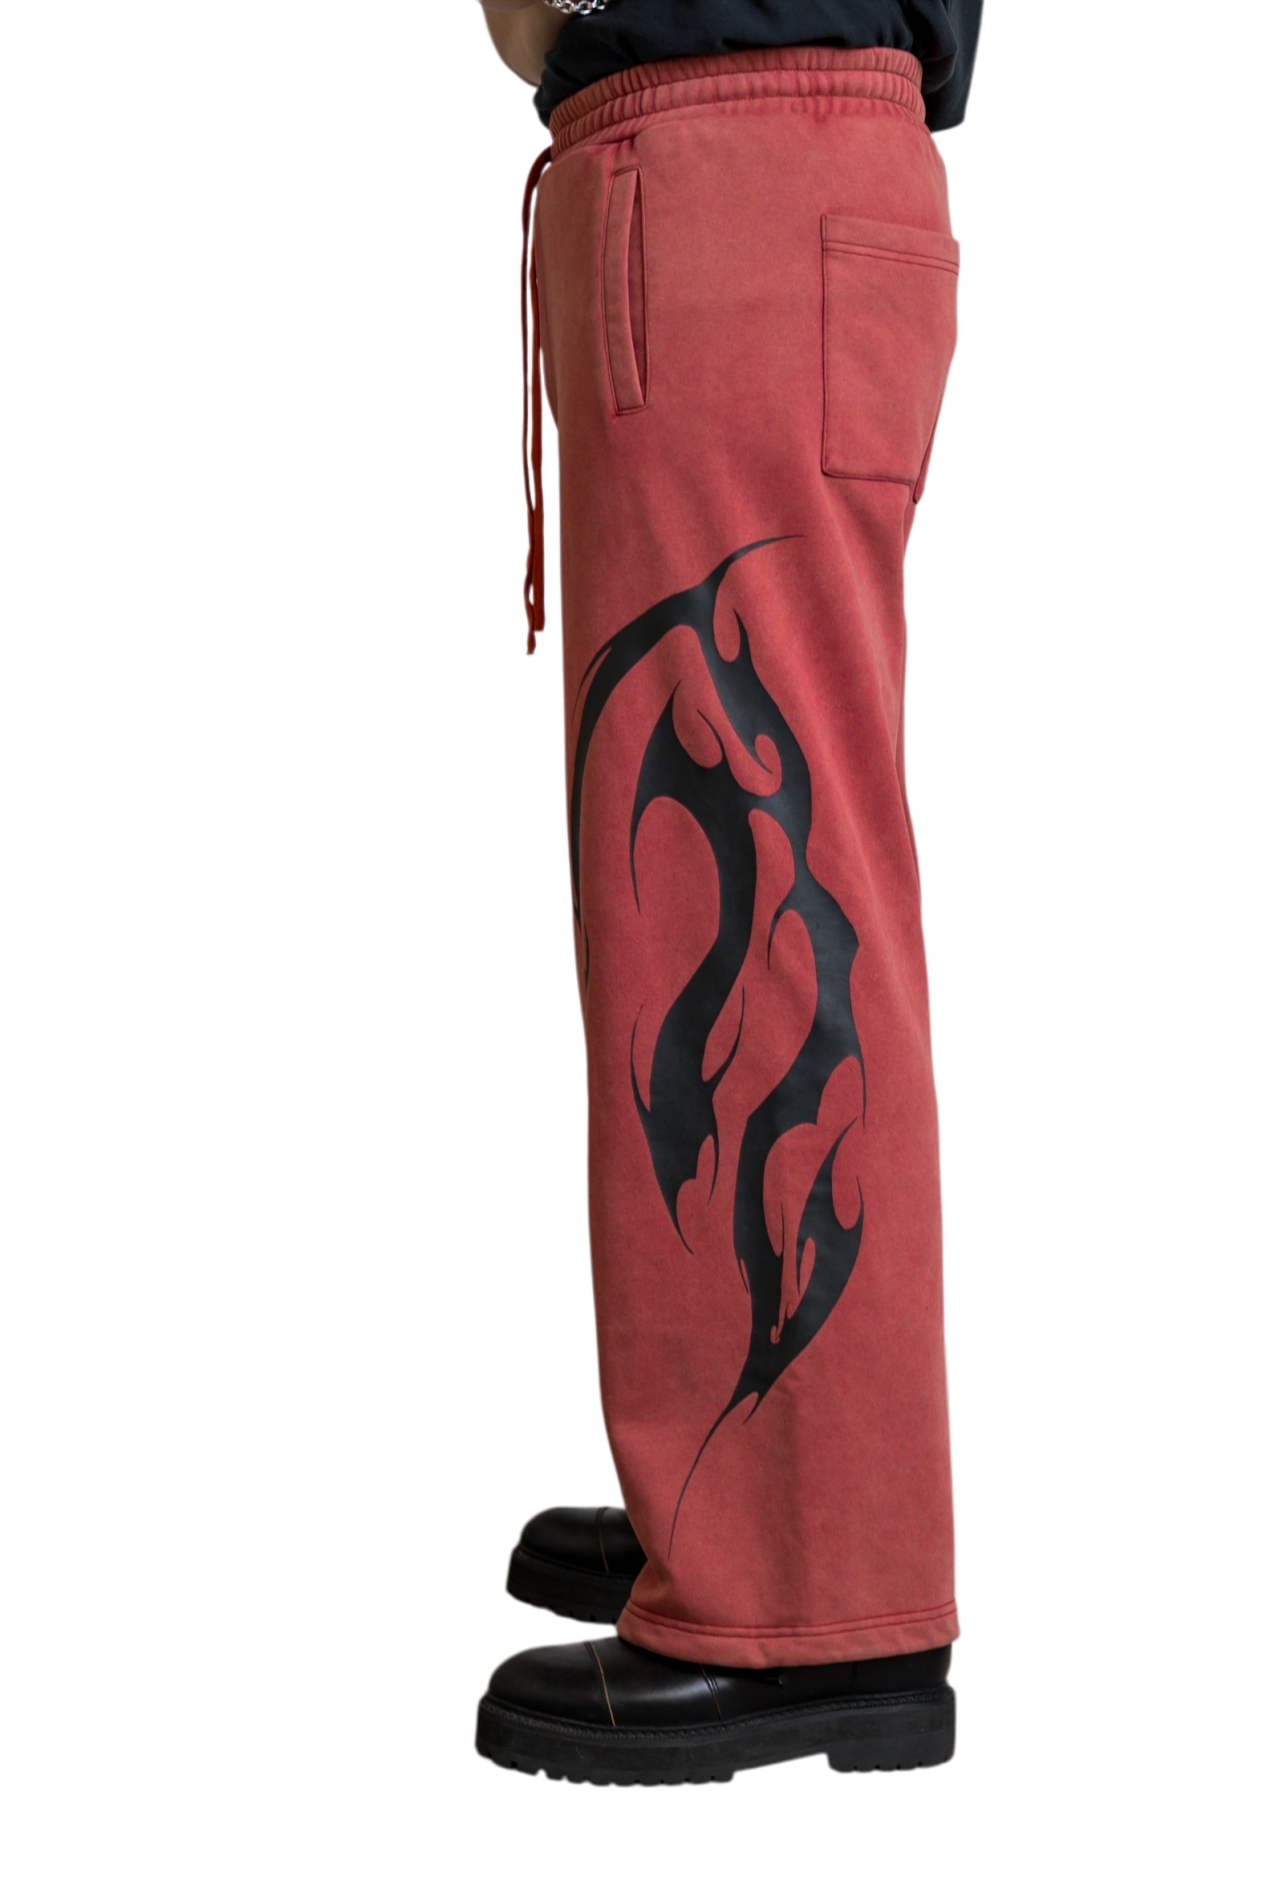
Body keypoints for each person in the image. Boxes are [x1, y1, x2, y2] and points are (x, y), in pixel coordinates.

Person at [473, 0, 983, 1787]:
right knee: (704, 893)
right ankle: (742, 1468)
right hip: (745, 167)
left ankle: (818, 1595)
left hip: (735, 175)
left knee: (769, 879)